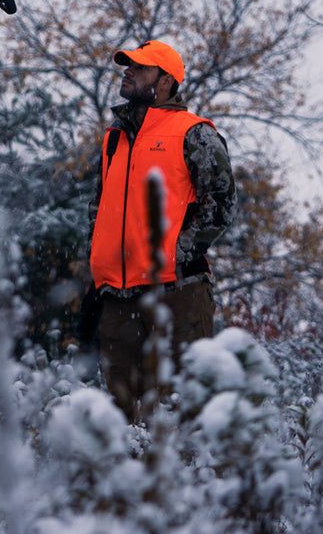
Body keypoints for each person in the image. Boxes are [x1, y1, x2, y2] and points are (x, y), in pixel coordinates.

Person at [87, 39, 236, 420]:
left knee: (179, 411)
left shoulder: (193, 133)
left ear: (167, 81)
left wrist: (174, 254)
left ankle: (187, 481)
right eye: (127, 65)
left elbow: (221, 203)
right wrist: (100, 260)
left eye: (140, 67)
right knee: (119, 418)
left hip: (177, 293)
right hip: (118, 297)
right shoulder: (113, 139)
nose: (128, 71)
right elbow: (99, 206)